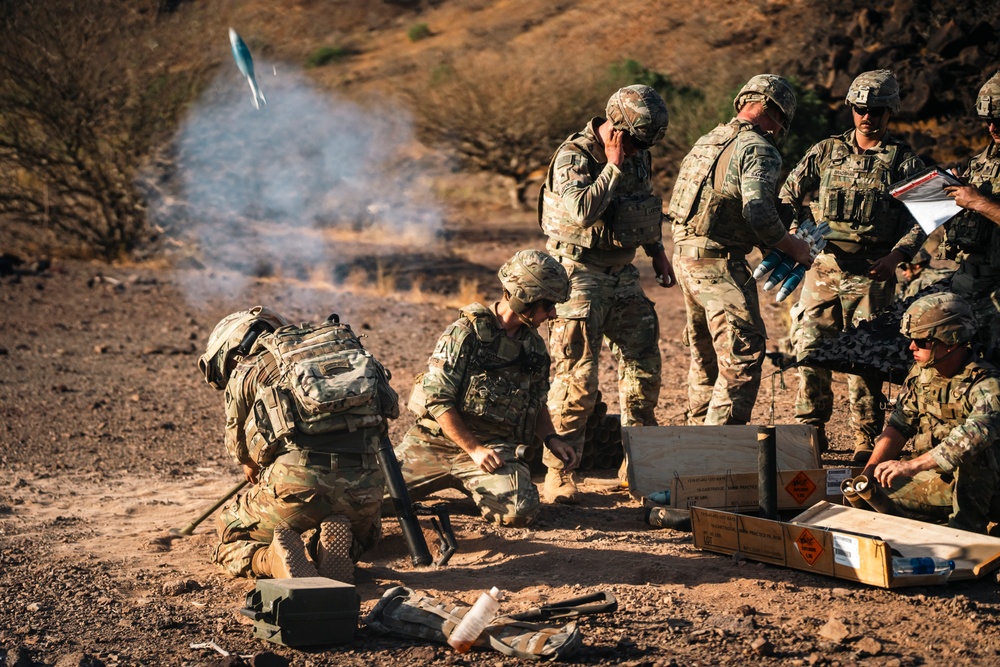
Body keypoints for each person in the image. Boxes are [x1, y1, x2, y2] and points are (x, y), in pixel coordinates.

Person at [779, 69, 926, 462]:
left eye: (877, 110)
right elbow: (789, 192)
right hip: (823, 267)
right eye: (861, 109)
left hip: (872, 271)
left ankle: (865, 437)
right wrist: (796, 233)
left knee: (867, 358)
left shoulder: (904, 160)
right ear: (851, 108)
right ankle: (811, 429)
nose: (868, 117)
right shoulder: (826, 150)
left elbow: (927, 215)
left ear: (890, 112)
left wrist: (898, 256)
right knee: (809, 346)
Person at [538, 84, 674, 503]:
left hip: (622, 272)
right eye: (632, 142)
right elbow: (581, 212)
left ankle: (637, 465)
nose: (635, 151)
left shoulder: (638, 152)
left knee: (644, 364)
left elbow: (641, 207)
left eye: (642, 145)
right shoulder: (574, 156)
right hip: (577, 272)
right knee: (577, 377)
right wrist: (612, 166)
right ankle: (560, 473)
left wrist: (657, 254)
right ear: (614, 128)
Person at [198, 306, 398, 581]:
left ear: (233, 345)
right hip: (365, 491)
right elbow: (387, 415)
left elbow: (239, 450)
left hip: (298, 487)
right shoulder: (350, 355)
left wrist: (251, 466)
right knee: (364, 533)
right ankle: (331, 549)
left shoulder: (246, 370)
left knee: (229, 533)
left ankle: (271, 560)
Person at [669, 74, 812, 426]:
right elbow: (758, 212)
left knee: (705, 359)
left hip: (686, 258)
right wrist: (793, 245)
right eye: (780, 122)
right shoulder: (759, 148)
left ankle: (695, 444)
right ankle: (717, 456)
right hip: (718, 265)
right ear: (770, 111)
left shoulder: (709, 139)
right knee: (742, 356)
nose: (778, 131)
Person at [397, 250, 578, 525]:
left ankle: (477, 486)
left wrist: (552, 439)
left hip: (495, 449)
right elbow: (438, 399)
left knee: (520, 510)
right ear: (525, 298)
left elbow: (537, 402)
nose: (552, 314)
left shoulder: (534, 347)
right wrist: (473, 449)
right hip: (434, 442)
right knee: (367, 502)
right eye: (548, 305)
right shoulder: (465, 333)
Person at [861, 293, 1000, 534]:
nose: (912, 347)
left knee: (976, 453)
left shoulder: (987, 384)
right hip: (941, 479)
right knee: (872, 493)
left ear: (951, 341)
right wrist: (869, 471)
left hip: (987, 487)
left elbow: (974, 435)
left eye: (922, 341)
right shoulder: (922, 374)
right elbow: (900, 425)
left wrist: (912, 466)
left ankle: (967, 530)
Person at [943, 70, 1000, 364]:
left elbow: (982, 206)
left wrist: (978, 202)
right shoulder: (980, 163)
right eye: (988, 120)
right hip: (966, 289)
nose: (993, 127)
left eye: (999, 119)